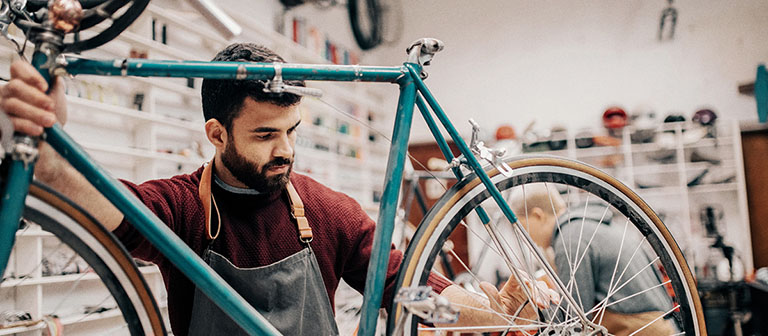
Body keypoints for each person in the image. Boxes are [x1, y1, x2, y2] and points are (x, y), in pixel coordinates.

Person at [1, 43, 555, 335]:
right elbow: (105, 208)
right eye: (265, 135)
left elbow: (413, 296)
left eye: (291, 131)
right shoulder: (184, 208)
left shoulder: (327, 212)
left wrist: (501, 313)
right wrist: (47, 152)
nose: (285, 150)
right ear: (217, 135)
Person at [508, 183, 678, 336]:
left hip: (642, 330)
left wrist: (533, 313)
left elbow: (573, 320)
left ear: (538, 215)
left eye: (523, 228)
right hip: (661, 325)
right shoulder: (587, 225)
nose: (525, 238)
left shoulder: (570, 238)